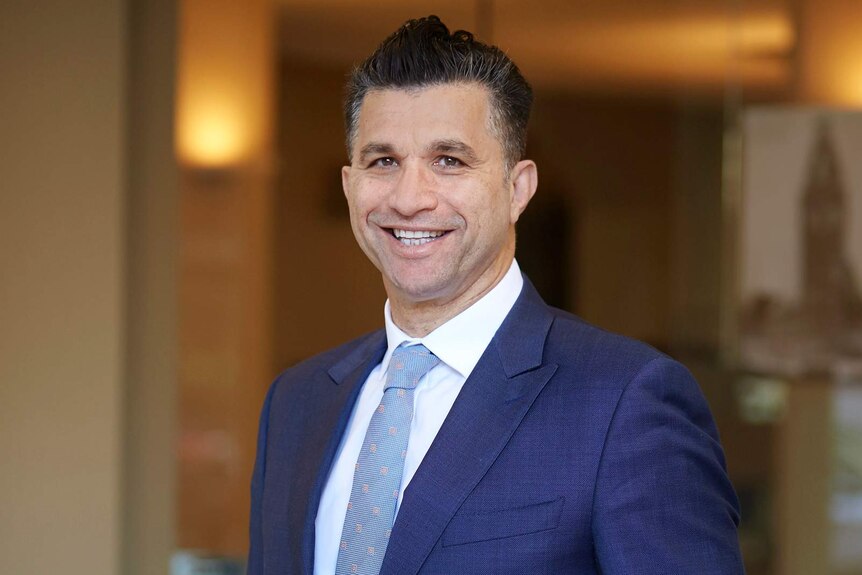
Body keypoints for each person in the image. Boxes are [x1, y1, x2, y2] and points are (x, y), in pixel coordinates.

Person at [248, 15, 744, 575]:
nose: (410, 198)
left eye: (449, 161)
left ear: (517, 189)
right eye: (383, 161)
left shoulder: (625, 403)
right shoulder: (296, 403)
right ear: (349, 185)